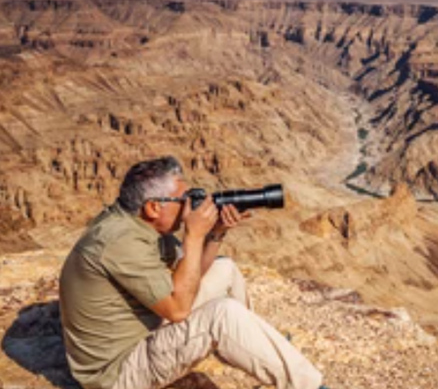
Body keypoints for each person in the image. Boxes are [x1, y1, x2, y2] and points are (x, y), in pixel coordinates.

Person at [59, 156, 324, 389]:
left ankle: (253, 347)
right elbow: (178, 310)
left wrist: (216, 233)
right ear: (153, 207)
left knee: (225, 269)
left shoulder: (139, 224)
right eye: (181, 200)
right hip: (116, 373)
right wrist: (194, 236)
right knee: (222, 314)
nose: (189, 206)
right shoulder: (120, 241)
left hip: (142, 328)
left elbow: (190, 274)